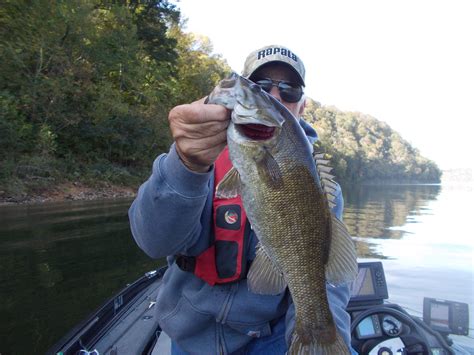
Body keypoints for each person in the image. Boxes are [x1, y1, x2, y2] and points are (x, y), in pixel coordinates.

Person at [129, 44, 353, 354]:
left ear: (302, 106)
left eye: (289, 90)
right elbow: (153, 241)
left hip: (269, 337)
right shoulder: (198, 157)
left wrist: (322, 335)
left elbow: (327, 282)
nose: (275, 96)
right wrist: (186, 165)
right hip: (190, 336)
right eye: (261, 87)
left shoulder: (322, 189)